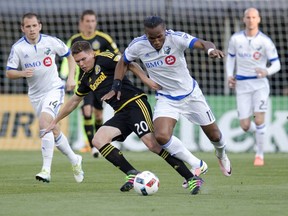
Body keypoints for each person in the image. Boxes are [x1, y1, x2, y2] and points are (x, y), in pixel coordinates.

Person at [44, 41, 205, 195]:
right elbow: (74, 101)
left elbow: (128, 63)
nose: (81, 64)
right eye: (78, 61)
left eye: (83, 59)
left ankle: (191, 178)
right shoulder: (86, 79)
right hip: (121, 113)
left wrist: (145, 79)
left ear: (92, 54)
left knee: (152, 144)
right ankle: (132, 173)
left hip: (135, 104)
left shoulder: (105, 58)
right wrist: (55, 121)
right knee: (98, 140)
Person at [102, 16, 232, 182]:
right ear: (145, 35)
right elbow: (123, 61)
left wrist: (210, 51)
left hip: (191, 95)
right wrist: (116, 85)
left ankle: (221, 154)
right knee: (161, 136)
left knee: (215, 136)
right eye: (152, 38)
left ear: (165, 31)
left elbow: (203, 43)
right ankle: (196, 163)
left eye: (159, 37)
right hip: (166, 97)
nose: (156, 41)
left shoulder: (176, 39)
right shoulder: (138, 45)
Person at [5, 13, 84, 183]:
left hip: (54, 89)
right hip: (35, 95)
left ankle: (46, 170)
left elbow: (69, 56)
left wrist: (71, 78)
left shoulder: (51, 41)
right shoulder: (18, 48)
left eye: (34, 26)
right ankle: (74, 159)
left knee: (44, 123)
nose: (32, 29)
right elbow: (9, 72)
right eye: (28, 26)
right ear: (22, 28)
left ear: (39, 26)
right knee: (53, 129)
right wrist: (21, 73)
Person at [60, 10, 120, 158]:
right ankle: (93, 146)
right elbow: (68, 60)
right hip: (85, 83)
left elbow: (118, 57)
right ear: (81, 23)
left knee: (98, 116)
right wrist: (68, 77)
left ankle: (100, 143)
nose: (90, 24)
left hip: (101, 83)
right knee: (87, 111)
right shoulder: (75, 40)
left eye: (93, 21)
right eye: (87, 21)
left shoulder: (103, 38)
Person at [226, 8, 281, 166]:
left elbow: (277, 64)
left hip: (259, 85)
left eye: (253, 17)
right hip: (242, 85)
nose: (251, 20)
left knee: (258, 119)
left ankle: (260, 154)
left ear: (259, 19)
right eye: (248, 17)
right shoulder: (236, 39)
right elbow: (230, 58)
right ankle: (262, 133)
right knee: (244, 125)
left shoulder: (265, 41)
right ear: (244, 19)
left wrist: (266, 71)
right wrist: (230, 75)